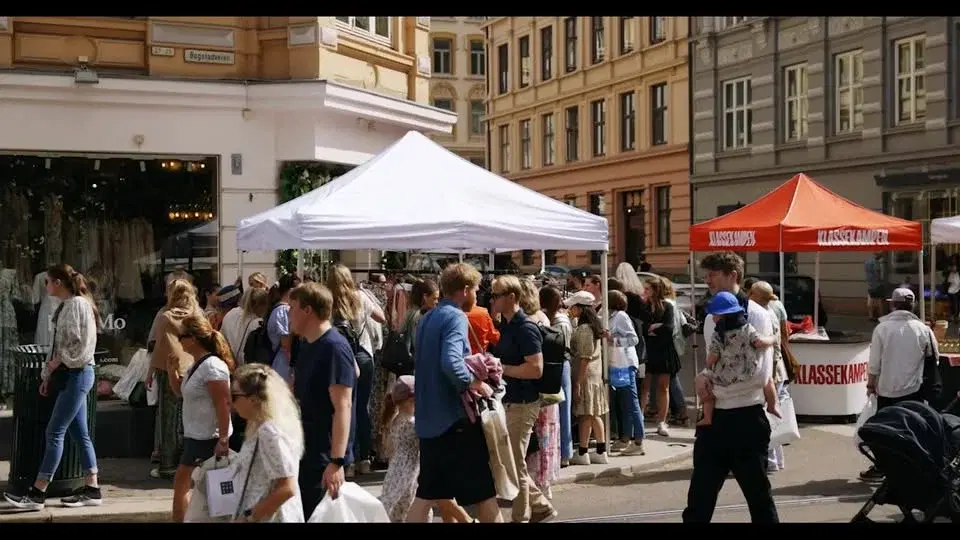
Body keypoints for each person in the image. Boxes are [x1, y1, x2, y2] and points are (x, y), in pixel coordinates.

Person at [683, 251, 778, 524]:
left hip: (746, 418)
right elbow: (713, 362)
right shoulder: (713, 316)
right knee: (699, 498)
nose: (707, 280)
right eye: (706, 275)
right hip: (715, 420)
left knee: (759, 499)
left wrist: (712, 385)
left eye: (713, 274)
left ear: (733, 275)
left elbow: (760, 375)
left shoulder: (757, 316)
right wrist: (704, 377)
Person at [405, 263, 502, 523]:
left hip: (429, 420)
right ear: (466, 289)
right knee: (484, 492)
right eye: (476, 290)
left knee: (426, 495)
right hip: (454, 421)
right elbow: (451, 363)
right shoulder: (456, 317)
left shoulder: (426, 318)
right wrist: (474, 382)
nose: (477, 296)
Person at [3, 265, 102, 510]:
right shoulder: (72, 305)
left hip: (75, 374)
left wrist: (53, 367)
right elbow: (64, 347)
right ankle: (93, 488)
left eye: (47, 281)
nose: (45, 286)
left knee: (54, 432)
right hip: (74, 374)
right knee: (79, 434)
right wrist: (48, 374)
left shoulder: (75, 305)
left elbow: (76, 348)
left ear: (58, 282)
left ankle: (38, 493)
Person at [287, 282, 358, 518]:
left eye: (292, 307)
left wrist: (336, 462)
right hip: (306, 448)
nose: (288, 313)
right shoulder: (308, 343)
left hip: (323, 455)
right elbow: (355, 371)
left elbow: (343, 407)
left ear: (308, 310)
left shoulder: (333, 347)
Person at [860, 287, 938, 483]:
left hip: (887, 389)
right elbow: (934, 359)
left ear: (893, 304)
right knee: (912, 428)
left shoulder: (882, 329)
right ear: (912, 305)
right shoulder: (923, 329)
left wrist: (870, 385)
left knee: (886, 429)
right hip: (915, 390)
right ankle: (912, 465)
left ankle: (882, 466)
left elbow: (874, 362)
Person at [172, 314, 235, 523]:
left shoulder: (212, 366)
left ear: (193, 338)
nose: (179, 341)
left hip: (208, 435)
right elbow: (182, 393)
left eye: (182, 336)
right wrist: (172, 371)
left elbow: (223, 403)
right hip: (196, 434)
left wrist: (223, 438)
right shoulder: (196, 365)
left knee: (183, 479)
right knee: (202, 485)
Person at [327, 264, 388, 476]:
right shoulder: (360, 297)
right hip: (364, 355)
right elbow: (382, 317)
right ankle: (365, 459)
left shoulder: (329, 302)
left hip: (343, 359)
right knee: (362, 407)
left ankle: (348, 461)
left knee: (344, 408)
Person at [231, 363, 305, 522]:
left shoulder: (268, 432)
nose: (231, 403)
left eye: (234, 396)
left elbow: (287, 487)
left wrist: (251, 516)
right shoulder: (262, 426)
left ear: (253, 399)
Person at [697, 292, 779, 427]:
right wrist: (773, 339)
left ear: (724, 316)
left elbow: (713, 357)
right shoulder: (747, 328)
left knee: (703, 387)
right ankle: (772, 405)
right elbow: (759, 342)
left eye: (715, 315)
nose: (713, 319)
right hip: (748, 371)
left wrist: (707, 367)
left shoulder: (718, 336)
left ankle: (707, 417)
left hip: (725, 378)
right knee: (769, 380)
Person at [150, 278, 203, 479]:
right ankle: (190, 460)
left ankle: (168, 464)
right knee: (190, 417)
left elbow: (159, 348)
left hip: (170, 370)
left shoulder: (165, 317)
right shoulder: (197, 316)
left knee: (168, 418)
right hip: (195, 369)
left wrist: (151, 372)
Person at [378, 376, 441, 522]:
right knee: (403, 501)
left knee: (400, 502)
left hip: (398, 466)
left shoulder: (394, 419)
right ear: (409, 401)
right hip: (408, 468)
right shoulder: (412, 424)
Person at [749, 281, 793, 473]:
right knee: (772, 418)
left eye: (751, 293)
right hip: (777, 370)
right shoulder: (771, 309)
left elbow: (772, 348)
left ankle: (771, 461)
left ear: (756, 296)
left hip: (773, 372)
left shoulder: (762, 314)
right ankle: (777, 460)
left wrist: (770, 378)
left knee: (767, 418)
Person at [566, 290, 609, 466]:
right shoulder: (593, 326)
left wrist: (577, 383)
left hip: (586, 376)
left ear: (580, 308)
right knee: (594, 414)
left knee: (585, 415)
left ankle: (583, 451)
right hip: (594, 375)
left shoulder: (584, 329)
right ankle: (601, 449)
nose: (570, 310)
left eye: (573, 307)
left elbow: (584, 358)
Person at [639, 278, 681, 437]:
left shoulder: (667, 306)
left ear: (655, 290)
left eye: (648, 289)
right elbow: (642, 327)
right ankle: (639, 418)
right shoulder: (644, 306)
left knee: (663, 387)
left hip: (664, 350)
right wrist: (654, 328)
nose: (645, 292)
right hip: (648, 350)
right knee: (645, 386)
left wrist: (653, 329)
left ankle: (662, 421)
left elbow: (669, 328)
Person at [539, 285, 575, 468]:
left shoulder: (556, 321)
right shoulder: (560, 319)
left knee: (559, 408)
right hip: (562, 364)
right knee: (561, 408)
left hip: (558, 364)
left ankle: (564, 452)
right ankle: (564, 452)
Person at [607, 290, 645, 455]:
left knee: (632, 403)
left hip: (626, 364)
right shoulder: (612, 316)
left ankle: (638, 441)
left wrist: (613, 340)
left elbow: (633, 339)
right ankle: (625, 439)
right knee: (624, 403)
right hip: (617, 364)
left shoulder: (621, 316)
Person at [266, 273, 302, 385]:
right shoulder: (283, 310)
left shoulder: (279, 309)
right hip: (284, 364)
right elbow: (286, 344)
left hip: (282, 362)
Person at [865, 252, 885, 322]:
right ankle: (882, 317)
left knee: (870, 301)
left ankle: (871, 316)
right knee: (879, 301)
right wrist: (881, 280)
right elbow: (878, 273)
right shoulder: (877, 263)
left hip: (870, 284)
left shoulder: (867, 262)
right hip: (877, 284)